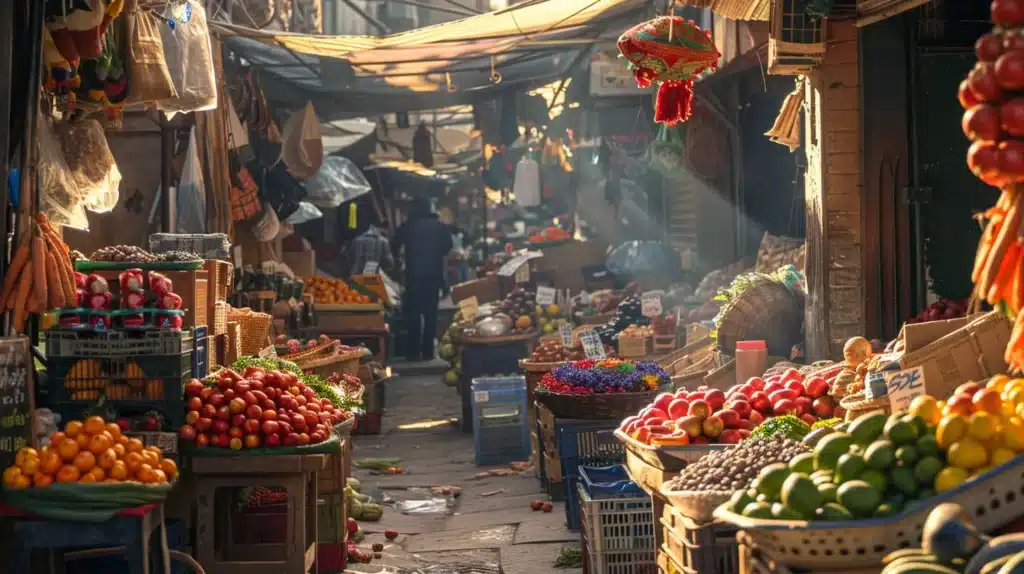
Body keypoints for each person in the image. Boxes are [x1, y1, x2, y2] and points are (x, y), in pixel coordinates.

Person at [392, 198, 453, 361]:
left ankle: (412, 352)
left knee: (413, 314)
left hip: (413, 276)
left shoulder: (408, 226)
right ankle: (427, 352)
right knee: (430, 314)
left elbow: (394, 244)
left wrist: (401, 260)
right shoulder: (439, 227)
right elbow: (448, 247)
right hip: (434, 276)